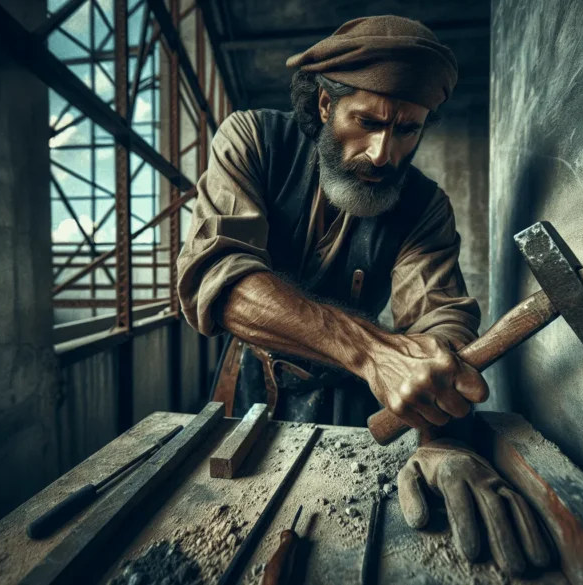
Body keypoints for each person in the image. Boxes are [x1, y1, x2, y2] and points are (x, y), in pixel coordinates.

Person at [177, 15, 551, 575]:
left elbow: (439, 317)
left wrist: (438, 433)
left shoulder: (425, 207)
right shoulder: (253, 138)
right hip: (251, 386)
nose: (382, 153)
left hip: (361, 405)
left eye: (407, 131)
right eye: (367, 121)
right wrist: (375, 353)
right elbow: (220, 277)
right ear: (326, 106)